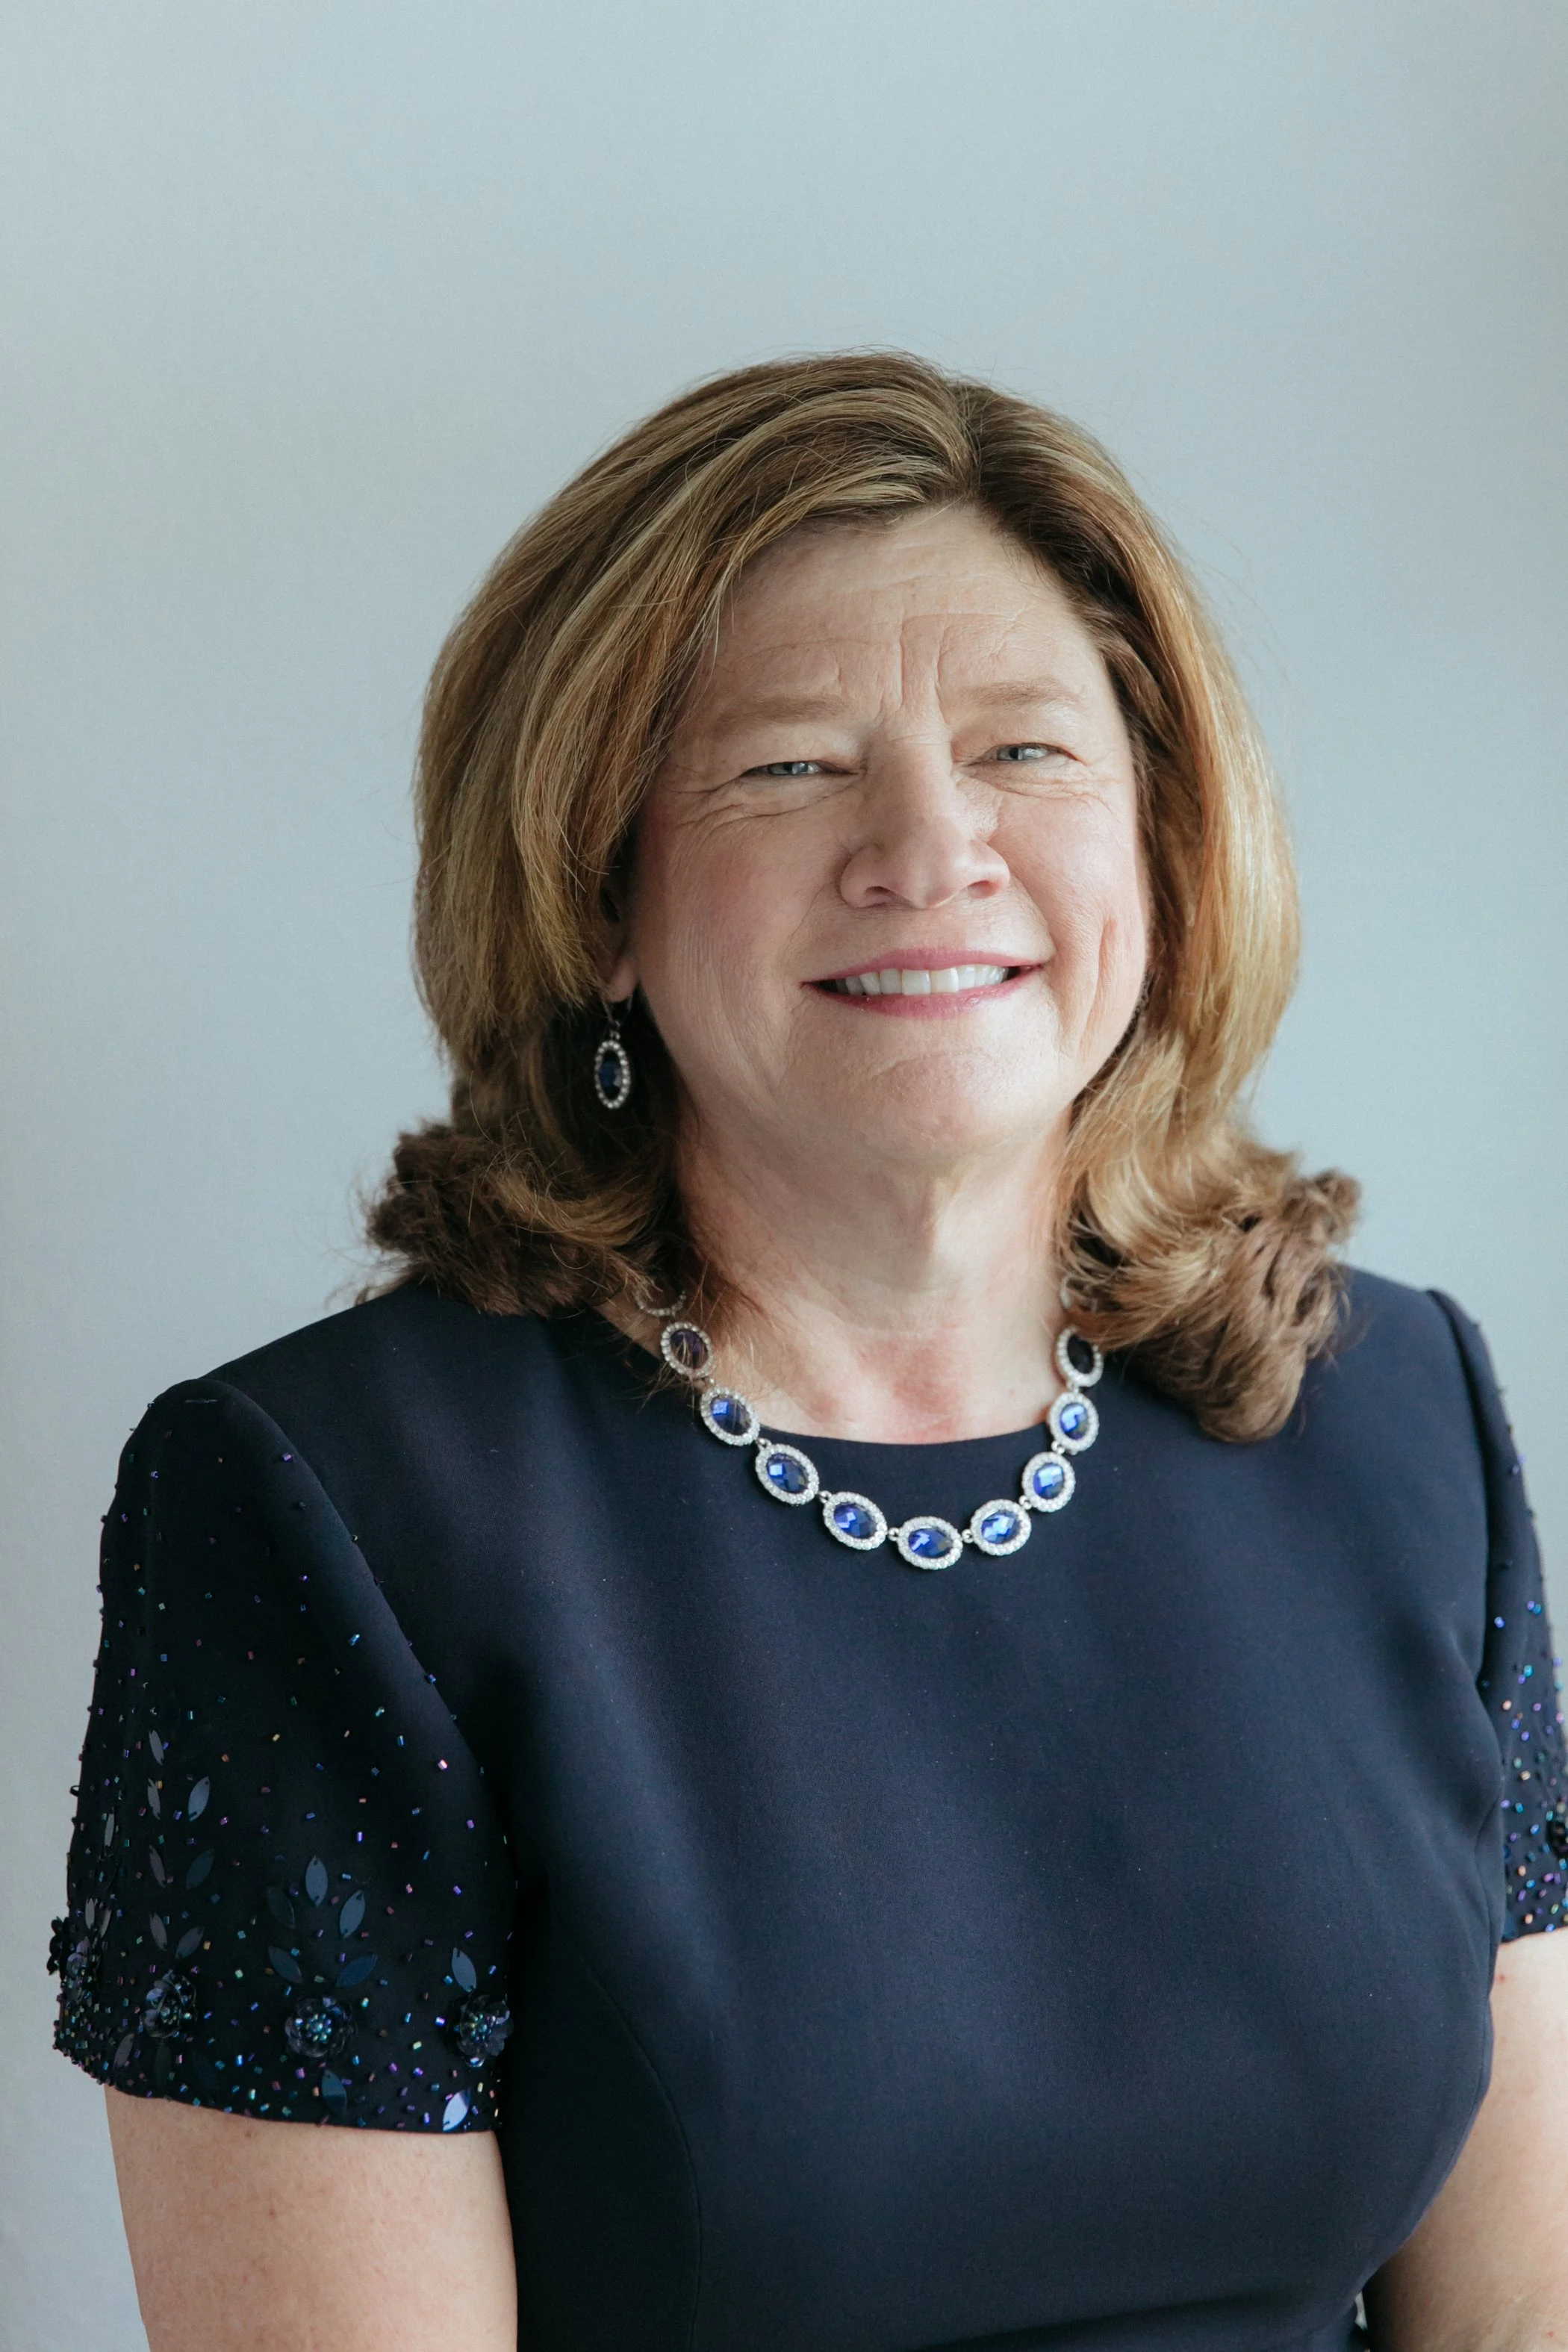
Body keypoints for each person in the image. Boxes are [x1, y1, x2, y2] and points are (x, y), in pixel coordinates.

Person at [52, 352, 1568, 2352]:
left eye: (1027, 753)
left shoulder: (1396, 1420)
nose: (926, 848)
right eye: (786, 766)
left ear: (1165, 849)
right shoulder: (331, 1506)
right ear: (596, 885)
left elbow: (1511, 2309)